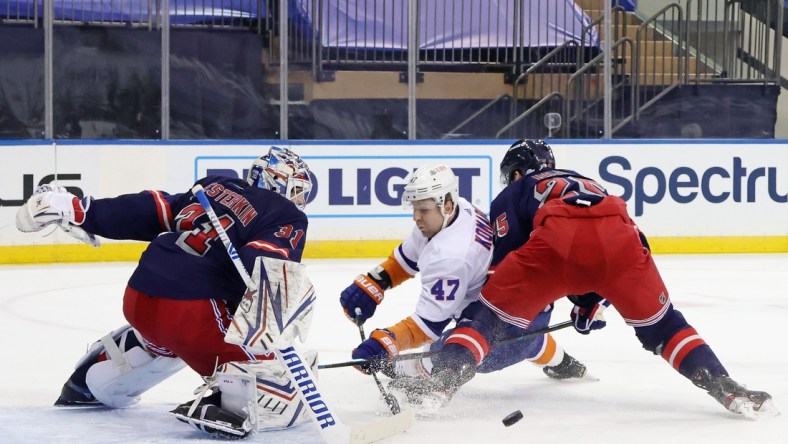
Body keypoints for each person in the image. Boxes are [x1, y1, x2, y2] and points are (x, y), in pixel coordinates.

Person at [423, 139, 776, 419]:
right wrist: (592, 301)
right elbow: (629, 241)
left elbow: (508, 262)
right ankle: (726, 385)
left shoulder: (518, 189)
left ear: (517, 172)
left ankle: (441, 383)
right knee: (665, 327)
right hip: (622, 246)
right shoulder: (589, 182)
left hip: (556, 242)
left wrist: (477, 319)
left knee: (486, 320)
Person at [15, 146, 321, 438]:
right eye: (295, 190)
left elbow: (150, 209)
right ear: (273, 180)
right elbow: (268, 267)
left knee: (169, 339)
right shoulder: (286, 216)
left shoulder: (213, 186)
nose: (298, 199)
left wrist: (84, 211)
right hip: (188, 310)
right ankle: (226, 401)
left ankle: (92, 380)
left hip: (140, 296)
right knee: (272, 372)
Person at [338, 163, 588, 404]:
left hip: (495, 332)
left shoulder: (451, 256)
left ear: (446, 204)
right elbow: (406, 260)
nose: (416, 217)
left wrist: (385, 343)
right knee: (528, 336)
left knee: (441, 353)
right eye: (415, 208)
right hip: (519, 313)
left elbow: (427, 326)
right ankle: (564, 364)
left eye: (423, 209)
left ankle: (428, 388)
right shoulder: (458, 211)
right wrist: (373, 283)